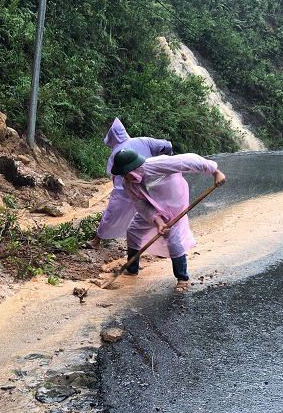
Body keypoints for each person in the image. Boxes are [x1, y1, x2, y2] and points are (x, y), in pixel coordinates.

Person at [110, 148, 226, 292]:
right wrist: (157, 221)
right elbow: (141, 205)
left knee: (172, 239)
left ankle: (182, 278)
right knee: (133, 231)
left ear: (132, 169)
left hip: (174, 204)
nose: (122, 176)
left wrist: (215, 171)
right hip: (153, 205)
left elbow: (189, 160)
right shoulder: (127, 183)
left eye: (124, 173)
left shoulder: (156, 164)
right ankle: (132, 269)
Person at [85, 118, 173, 249]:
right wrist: (164, 161)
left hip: (125, 191)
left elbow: (116, 176)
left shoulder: (117, 153)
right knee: (155, 214)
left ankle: (96, 241)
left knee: (111, 215)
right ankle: (163, 247)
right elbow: (167, 146)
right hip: (148, 185)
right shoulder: (144, 140)